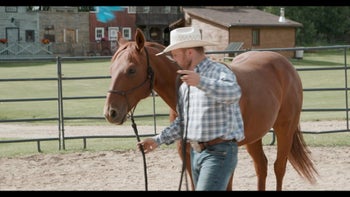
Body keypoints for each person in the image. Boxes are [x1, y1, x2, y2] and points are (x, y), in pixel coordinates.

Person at [137, 27, 245, 191]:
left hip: (219, 153)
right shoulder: (185, 85)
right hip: (196, 153)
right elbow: (183, 122)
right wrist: (157, 140)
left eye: (175, 54)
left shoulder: (218, 71)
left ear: (189, 53)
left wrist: (201, 82)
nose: (173, 59)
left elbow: (234, 93)